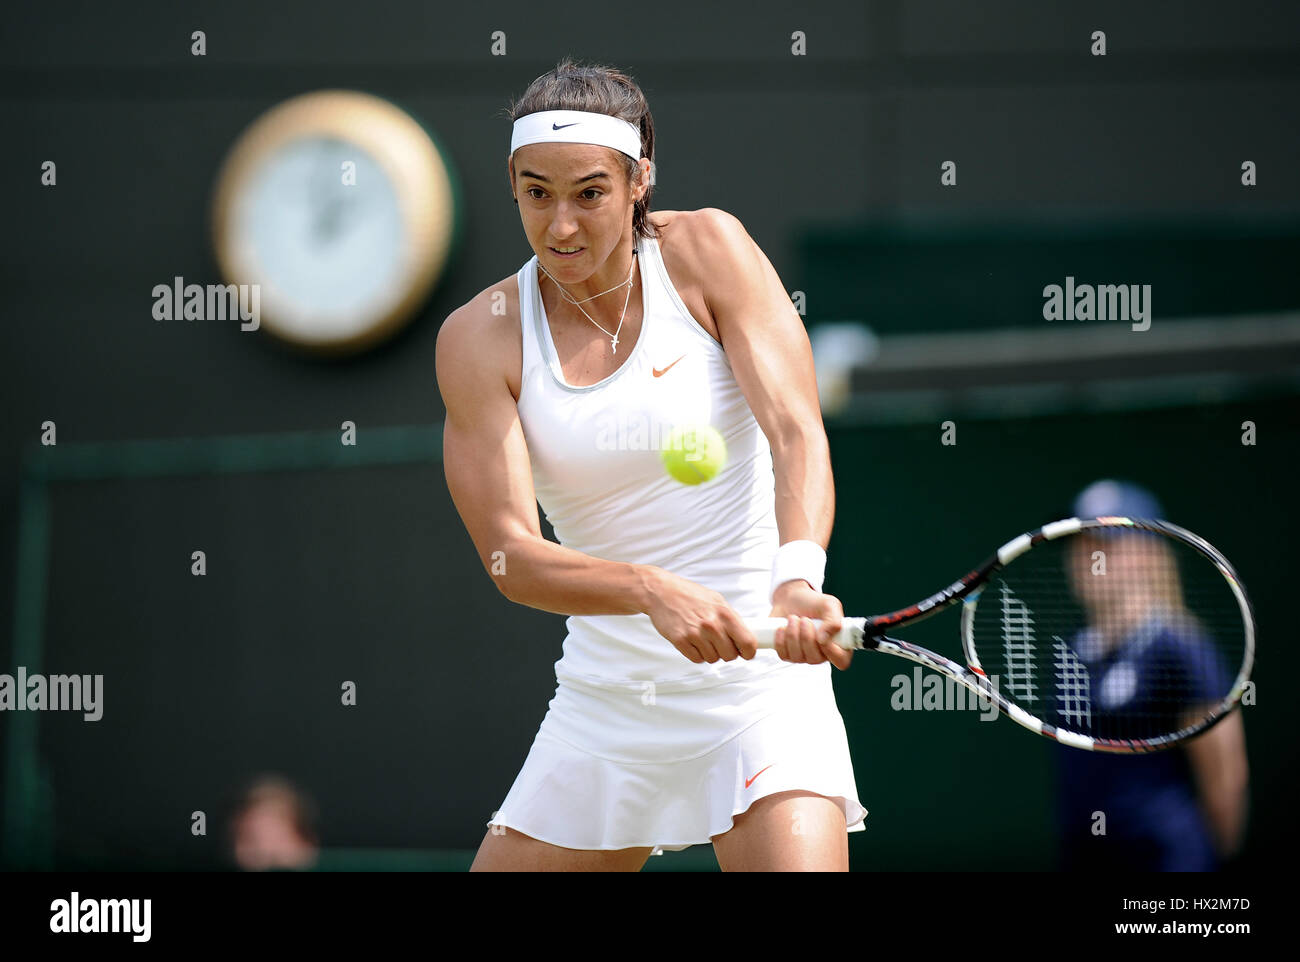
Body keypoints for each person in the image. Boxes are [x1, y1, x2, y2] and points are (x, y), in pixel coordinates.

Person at [435, 58, 866, 871]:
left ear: (640, 182)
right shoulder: (478, 336)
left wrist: (798, 578)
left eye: (590, 192)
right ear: (513, 184)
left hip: (759, 691)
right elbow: (511, 557)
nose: (561, 225)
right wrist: (647, 589)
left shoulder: (708, 250)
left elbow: (795, 431)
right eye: (537, 193)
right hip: (605, 707)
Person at [1056, 480, 1249, 871]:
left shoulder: (1181, 647)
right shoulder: (1072, 651)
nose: (1087, 557)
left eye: (1106, 544)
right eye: (1079, 544)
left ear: (1148, 554)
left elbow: (1225, 775)